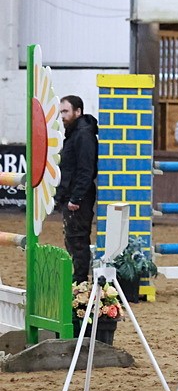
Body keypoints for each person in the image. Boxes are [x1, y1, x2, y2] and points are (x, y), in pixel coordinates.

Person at [55, 96, 98, 283]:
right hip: (73, 195)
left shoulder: (83, 134)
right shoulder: (76, 132)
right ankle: (79, 279)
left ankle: (80, 281)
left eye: (65, 111)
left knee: (78, 240)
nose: (62, 115)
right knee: (73, 239)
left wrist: (76, 198)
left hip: (78, 197)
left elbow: (85, 169)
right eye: (61, 112)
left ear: (78, 111)